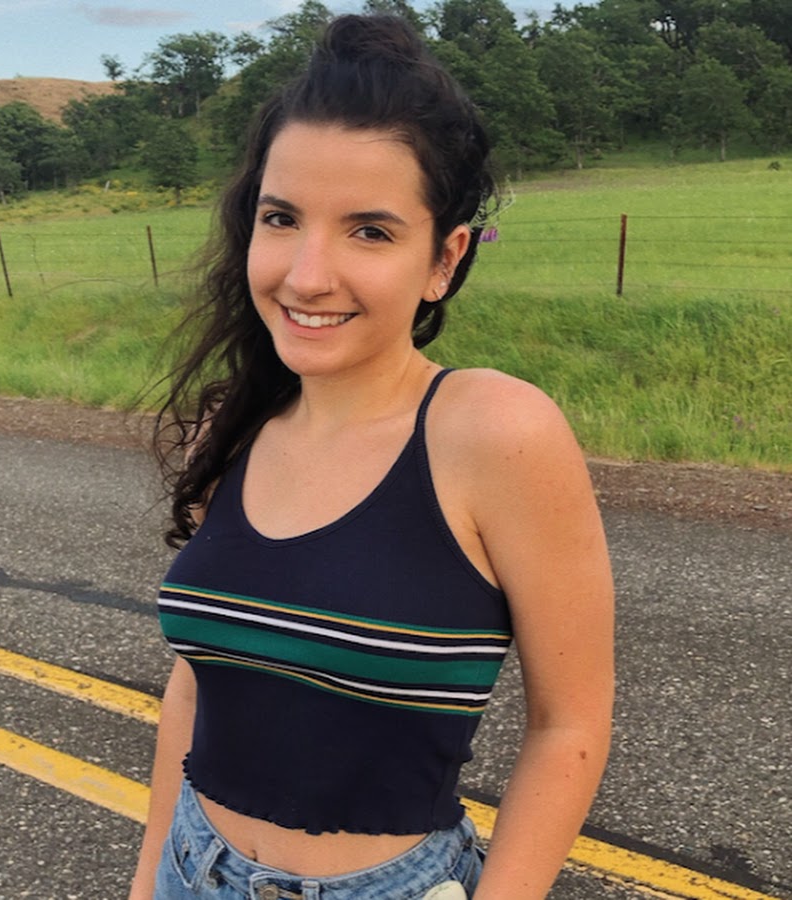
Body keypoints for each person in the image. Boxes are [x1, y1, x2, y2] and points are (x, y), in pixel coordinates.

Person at [130, 14, 614, 900]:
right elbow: (195, 690)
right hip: (193, 868)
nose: (307, 275)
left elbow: (569, 726)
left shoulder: (496, 434)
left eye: (370, 231)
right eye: (282, 218)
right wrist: (150, 878)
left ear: (444, 259)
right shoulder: (232, 428)